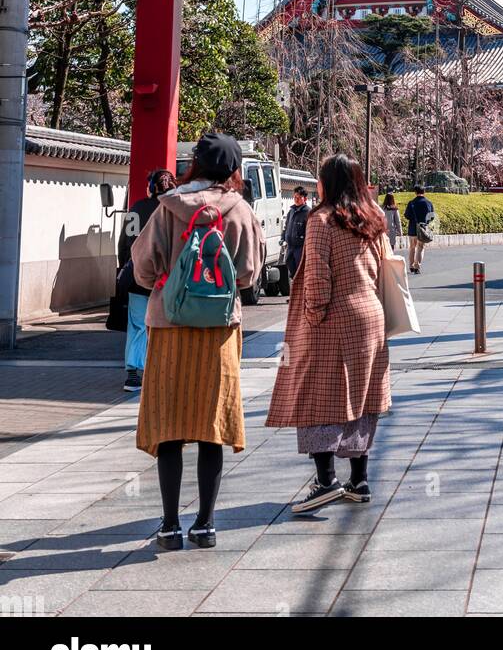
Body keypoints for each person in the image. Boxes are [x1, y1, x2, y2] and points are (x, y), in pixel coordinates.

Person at [132, 131, 265, 551]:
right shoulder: (239, 209)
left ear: (194, 165)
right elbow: (248, 274)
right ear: (234, 170)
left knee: (169, 426)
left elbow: (142, 266)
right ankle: (205, 524)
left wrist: (165, 283)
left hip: (169, 327)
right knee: (211, 427)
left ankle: (170, 526)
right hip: (219, 331)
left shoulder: (167, 208)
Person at [266, 153, 392, 514]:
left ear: (328, 183)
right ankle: (359, 480)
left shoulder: (321, 220)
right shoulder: (373, 219)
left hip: (333, 319)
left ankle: (325, 481)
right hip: (371, 317)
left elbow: (319, 278)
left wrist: (312, 316)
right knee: (362, 398)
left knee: (317, 397)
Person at [118, 169, 176, 393]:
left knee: (138, 325)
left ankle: (133, 373)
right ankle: (163, 372)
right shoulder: (176, 210)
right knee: (167, 325)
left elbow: (125, 244)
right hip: (168, 280)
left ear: (151, 187)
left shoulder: (136, 209)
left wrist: (125, 267)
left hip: (138, 278)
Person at [281, 186, 312, 282]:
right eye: (295, 197)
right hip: (290, 246)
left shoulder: (308, 212)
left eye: (299, 197)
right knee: (291, 268)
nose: (296, 199)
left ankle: (302, 295)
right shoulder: (291, 211)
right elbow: (286, 227)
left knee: (300, 271)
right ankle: (294, 294)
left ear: (305, 199)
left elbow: (309, 231)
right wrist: (283, 238)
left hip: (301, 247)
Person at [404, 184, 434, 275]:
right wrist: (425, 221)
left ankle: (411, 266)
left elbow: (407, 215)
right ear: (424, 192)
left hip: (412, 229)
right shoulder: (428, 203)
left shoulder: (411, 203)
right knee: (420, 248)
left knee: (412, 248)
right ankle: (417, 267)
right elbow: (432, 217)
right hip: (423, 229)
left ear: (415, 192)